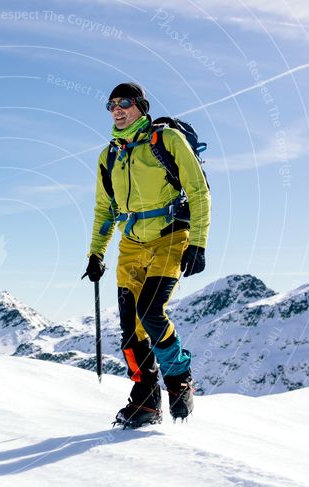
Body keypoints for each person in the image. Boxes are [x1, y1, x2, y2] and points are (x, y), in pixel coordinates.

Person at [84, 82, 211, 428]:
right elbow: (104, 209)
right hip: (130, 244)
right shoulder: (109, 155)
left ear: (141, 105)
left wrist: (198, 243)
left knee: (151, 312)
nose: (116, 110)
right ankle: (146, 399)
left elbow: (198, 190)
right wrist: (96, 254)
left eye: (124, 103)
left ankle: (179, 379)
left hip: (169, 236)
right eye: (110, 105)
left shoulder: (166, 140)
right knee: (130, 329)